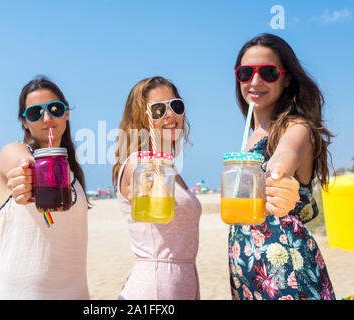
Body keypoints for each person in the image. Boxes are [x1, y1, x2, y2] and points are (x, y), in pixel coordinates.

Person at [228, 33, 335, 300]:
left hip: (286, 268)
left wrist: (278, 176)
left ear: (286, 78)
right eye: (245, 73)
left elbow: (283, 159)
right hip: (246, 270)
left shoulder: (296, 128)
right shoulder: (249, 138)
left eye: (268, 72)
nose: (255, 81)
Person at [0, 76, 90, 299]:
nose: (47, 118)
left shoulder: (72, 173)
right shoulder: (13, 151)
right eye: (34, 113)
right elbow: (22, 164)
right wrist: (25, 178)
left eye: (55, 109)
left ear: (67, 113)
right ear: (24, 121)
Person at [112, 76, 202, 299]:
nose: (170, 115)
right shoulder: (139, 163)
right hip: (156, 287)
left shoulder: (170, 169)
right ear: (142, 119)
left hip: (181, 283)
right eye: (158, 110)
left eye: (176, 106)